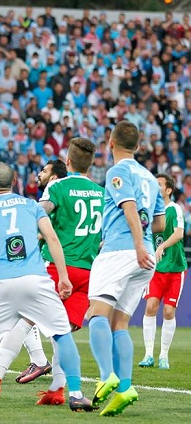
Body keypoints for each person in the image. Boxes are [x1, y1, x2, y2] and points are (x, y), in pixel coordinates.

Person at [0, 162, 93, 412]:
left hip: (0, 284)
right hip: (36, 280)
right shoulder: (31, 205)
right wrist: (63, 277)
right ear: (15, 181)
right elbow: (51, 238)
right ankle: (75, 394)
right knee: (62, 335)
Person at [0, 138, 104, 406]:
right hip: (88, 271)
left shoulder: (58, 186)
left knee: (24, 320)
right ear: (91, 163)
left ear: (68, 161)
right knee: (63, 333)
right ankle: (59, 389)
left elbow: (39, 212)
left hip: (58, 268)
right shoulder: (100, 192)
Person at [88, 121, 165, 416]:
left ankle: (106, 375)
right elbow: (159, 223)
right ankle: (125, 388)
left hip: (122, 251)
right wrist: (143, 242)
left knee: (96, 314)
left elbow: (129, 206)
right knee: (119, 323)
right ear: (138, 145)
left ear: (110, 143)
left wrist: (136, 243)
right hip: (145, 258)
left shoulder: (117, 171)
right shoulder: (150, 178)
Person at [13, 159, 68, 384]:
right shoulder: (70, 195)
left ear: (53, 177)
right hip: (70, 263)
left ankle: (54, 372)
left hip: (54, 264)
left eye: (44, 171)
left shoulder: (54, 191)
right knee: (29, 311)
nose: (39, 174)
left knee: (26, 310)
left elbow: (40, 218)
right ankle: (48, 366)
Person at [139, 173, 186, 370]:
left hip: (175, 268)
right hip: (155, 268)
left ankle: (163, 356)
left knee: (168, 311)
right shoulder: (148, 210)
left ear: (168, 190)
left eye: (159, 184)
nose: (155, 187)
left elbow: (179, 233)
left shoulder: (175, 209)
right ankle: (148, 354)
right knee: (151, 306)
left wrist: (162, 246)